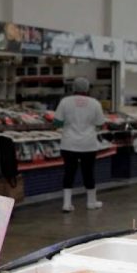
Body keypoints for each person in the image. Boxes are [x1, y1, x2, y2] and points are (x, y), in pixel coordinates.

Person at [55, 77, 106, 212]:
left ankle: (66, 204)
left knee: (69, 172)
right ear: (88, 88)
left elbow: (57, 122)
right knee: (88, 172)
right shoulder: (95, 103)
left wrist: (68, 124)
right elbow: (101, 124)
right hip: (88, 144)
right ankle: (91, 202)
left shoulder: (65, 102)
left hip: (68, 143)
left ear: (73, 88)